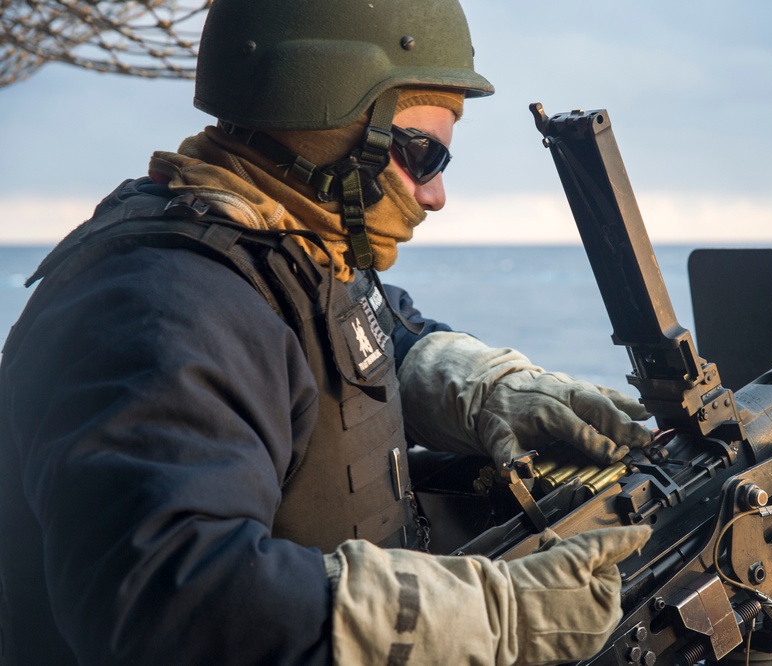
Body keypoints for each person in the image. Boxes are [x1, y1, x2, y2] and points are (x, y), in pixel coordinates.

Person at [0, 1, 654, 664]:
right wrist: (493, 616)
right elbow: (172, 601)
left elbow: (360, 330)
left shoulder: (286, 248)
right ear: (331, 132)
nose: (434, 197)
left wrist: (483, 388)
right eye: (423, 155)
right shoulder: (164, 309)